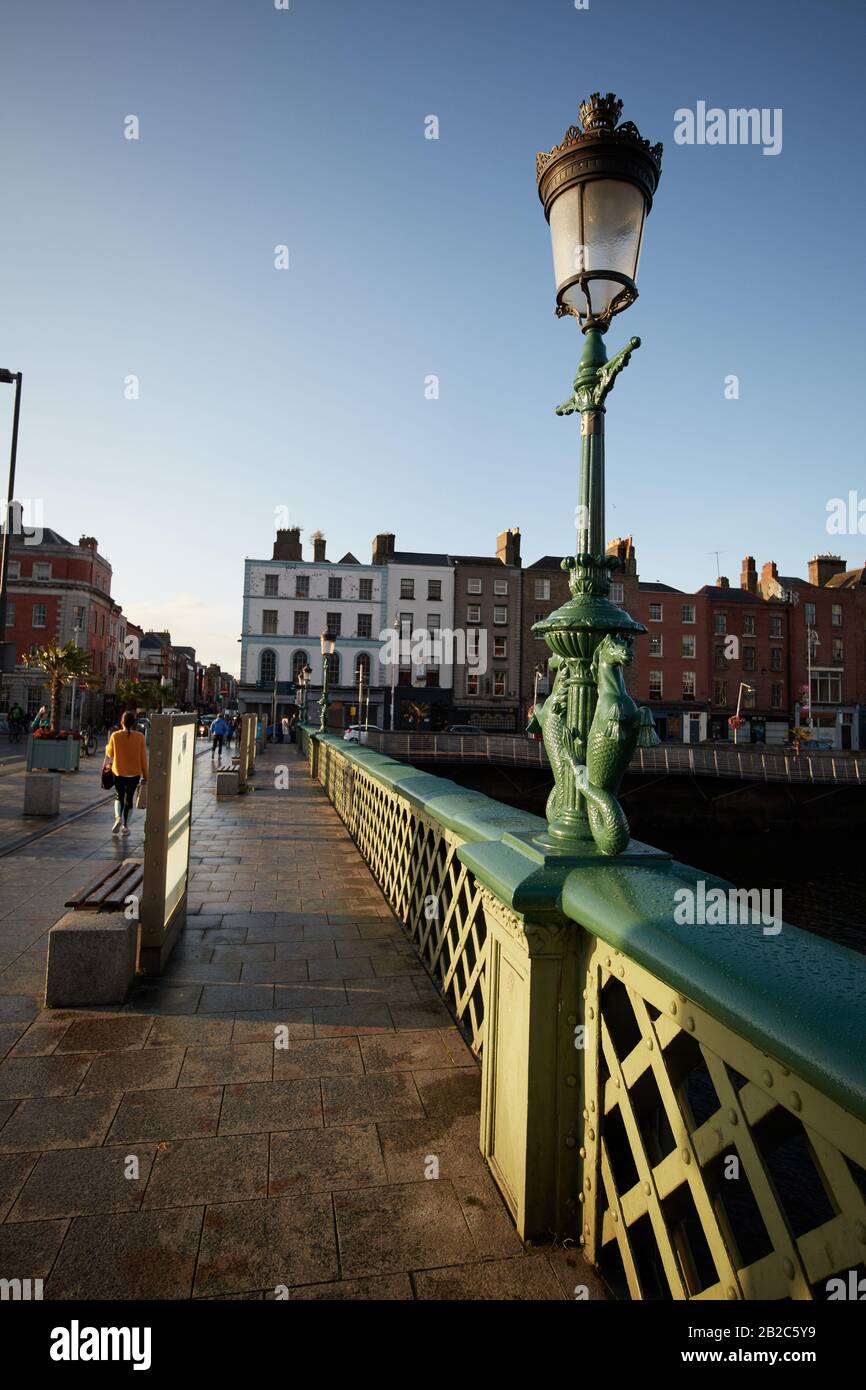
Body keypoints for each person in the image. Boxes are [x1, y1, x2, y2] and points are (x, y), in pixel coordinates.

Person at [104, 710, 148, 836]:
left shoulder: (115, 736)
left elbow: (110, 753)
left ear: (121, 722)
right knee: (129, 799)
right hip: (134, 773)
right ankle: (125, 826)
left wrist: (108, 747)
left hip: (119, 772)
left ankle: (118, 817)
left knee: (119, 796)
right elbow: (143, 758)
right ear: (134, 723)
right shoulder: (140, 737)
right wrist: (146, 775)